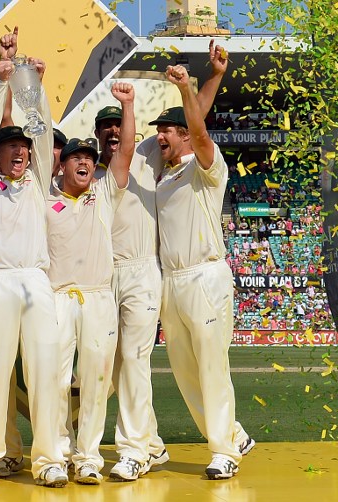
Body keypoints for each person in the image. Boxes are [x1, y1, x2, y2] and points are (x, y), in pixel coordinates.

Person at [0, 27, 67, 488]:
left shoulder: (38, 182)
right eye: (12, 148)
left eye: (24, 149)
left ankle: (49, 457)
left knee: (46, 369)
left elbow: (42, 133)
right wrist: (1, 80)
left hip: (35, 280)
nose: (21, 154)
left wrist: (32, 87)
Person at [154, 63, 244, 480]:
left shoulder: (206, 166)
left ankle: (224, 450)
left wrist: (186, 88)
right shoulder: (165, 174)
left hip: (204, 275)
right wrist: (212, 75)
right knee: (186, 373)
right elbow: (197, 115)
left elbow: (202, 129)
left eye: (166, 132)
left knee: (211, 365)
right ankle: (234, 434)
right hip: (171, 281)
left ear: (184, 135)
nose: (159, 138)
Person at [47, 83, 134, 486]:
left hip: (98, 298)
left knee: (97, 381)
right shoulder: (43, 198)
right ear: (61, 165)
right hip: (59, 298)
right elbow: (33, 137)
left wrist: (127, 104)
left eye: (88, 157)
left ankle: (87, 457)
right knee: (56, 380)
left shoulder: (103, 193)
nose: (84, 162)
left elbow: (126, 152)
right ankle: (56, 453)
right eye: (75, 157)